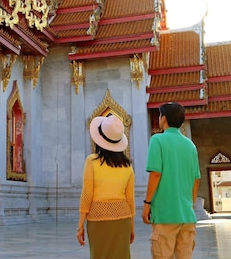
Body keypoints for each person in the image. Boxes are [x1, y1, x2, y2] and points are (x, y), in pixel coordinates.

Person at [142, 102, 200, 259]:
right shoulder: (190, 145)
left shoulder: (157, 140)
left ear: (163, 119)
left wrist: (147, 203)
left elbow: (155, 174)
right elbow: (196, 180)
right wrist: (189, 205)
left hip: (165, 214)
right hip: (187, 216)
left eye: (160, 115)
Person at [77, 115, 135, 259]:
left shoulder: (92, 161)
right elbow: (130, 198)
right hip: (123, 220)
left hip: (98, 220)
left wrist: (80, 225)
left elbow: (87, 194)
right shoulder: (127, 165)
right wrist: (132, 225)